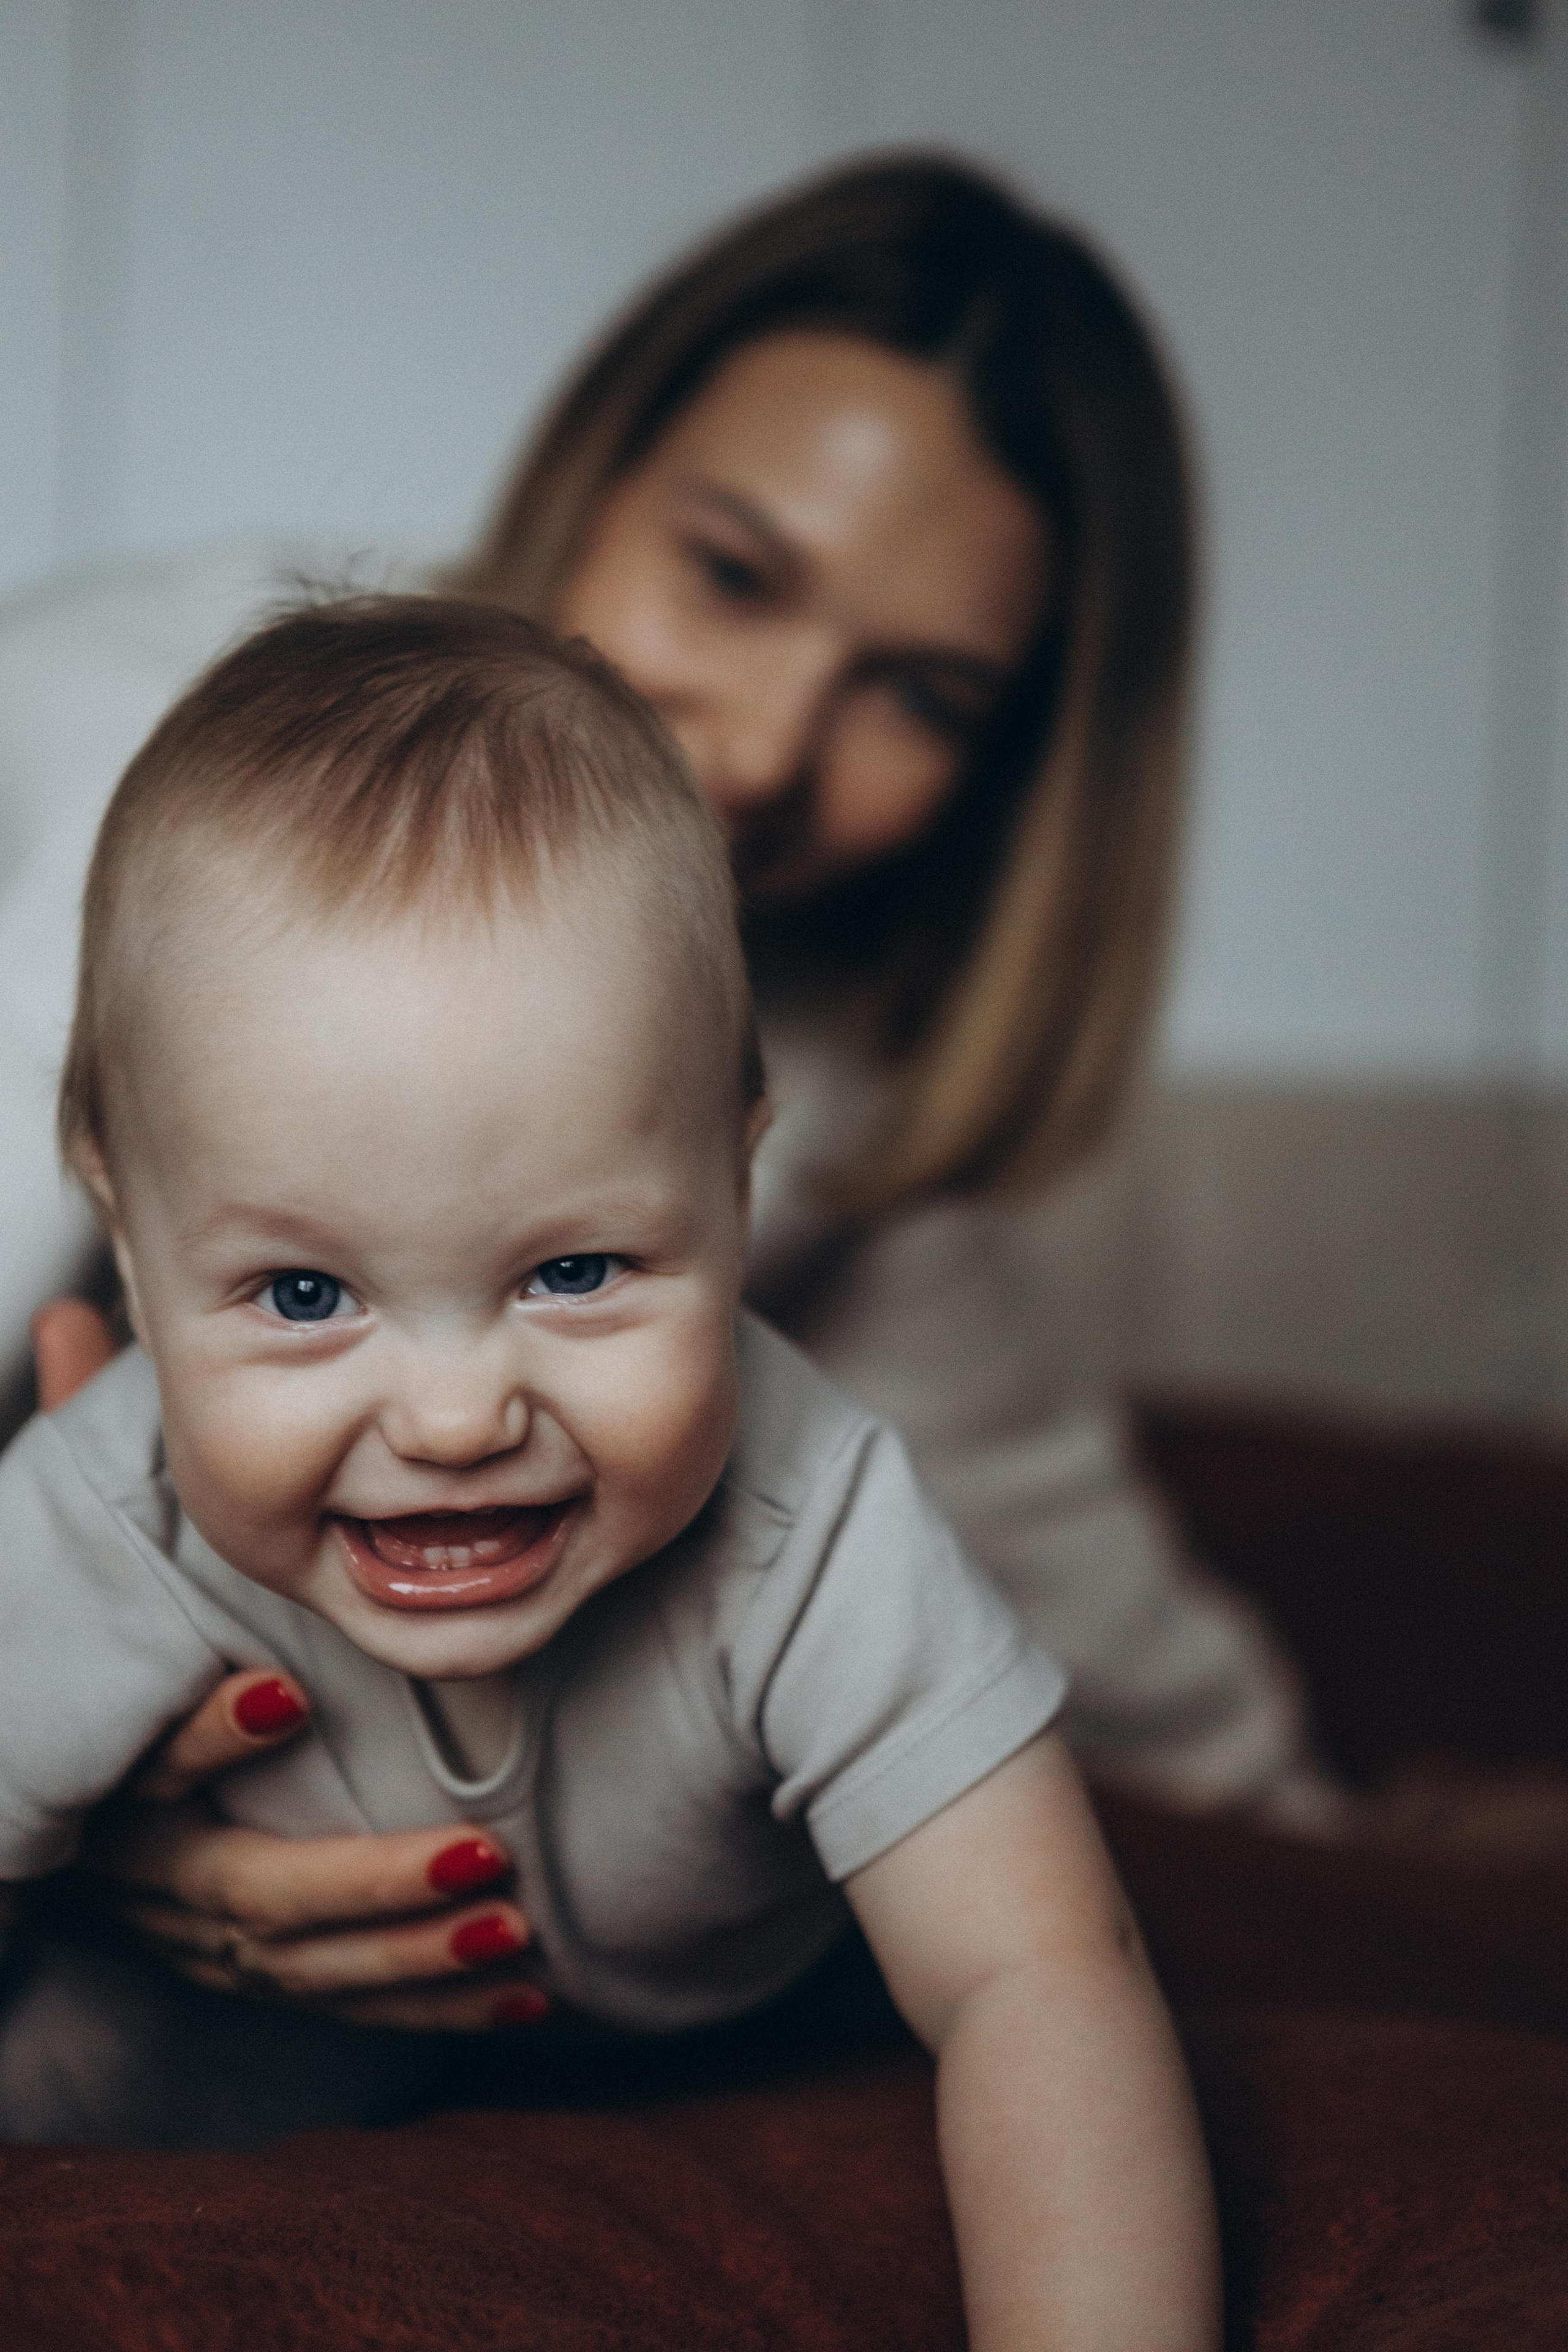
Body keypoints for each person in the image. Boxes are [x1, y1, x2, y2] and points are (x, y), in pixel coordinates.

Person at [10, 151, 1331, 2033]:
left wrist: (1345, 1822)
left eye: (924, 695)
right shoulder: (150, 768)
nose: (777, 745)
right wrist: (91, 1777)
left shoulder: (850, 1083)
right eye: (732, 574)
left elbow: (1089, 1624)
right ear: (596, 464)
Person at [0, 597, 1221, 2349]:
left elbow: (1042, 1975)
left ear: (738, 1175)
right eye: (302, 1293)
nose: (450, 1420)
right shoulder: (111, 1516)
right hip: (205, 2045)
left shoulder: (810, 1520)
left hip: (719, 2038)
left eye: (573, 1273)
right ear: (123, 1231)